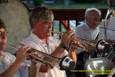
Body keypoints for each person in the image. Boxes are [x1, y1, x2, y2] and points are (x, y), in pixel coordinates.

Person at [21, 6, 78, 77]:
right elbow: (44, 67)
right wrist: (62, 46)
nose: (50, 26)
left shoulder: (55, 41)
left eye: (52, 22)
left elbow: (70, 65)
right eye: (46, 23)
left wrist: (71, 50)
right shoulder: (27, 44)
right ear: (35, 23)